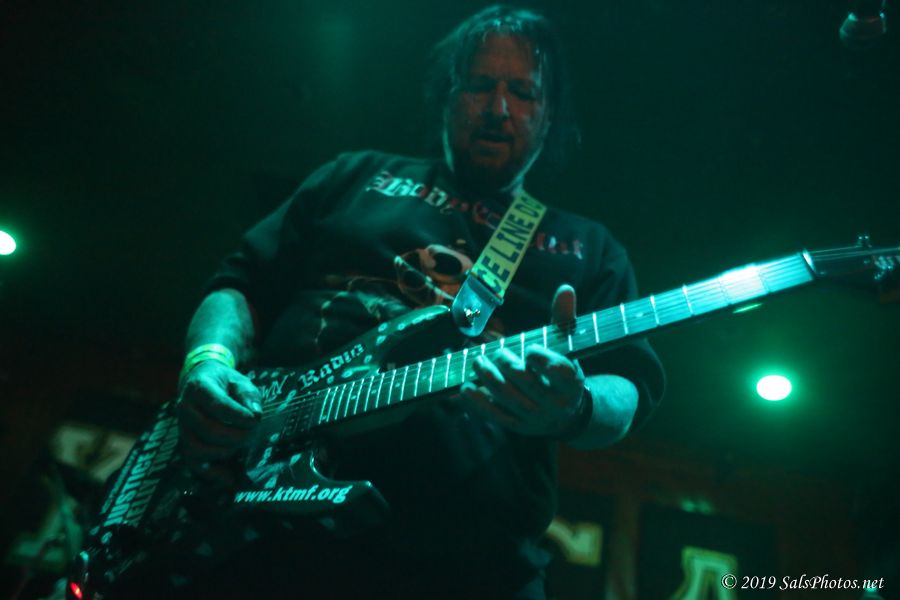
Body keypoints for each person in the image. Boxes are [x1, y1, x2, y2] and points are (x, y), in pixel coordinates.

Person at [175, 5, 664, 599]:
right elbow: (240, 285)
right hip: (253, 518)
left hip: (466, 566)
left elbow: (627, 384)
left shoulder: (588, 247)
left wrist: (575, 406)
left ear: (550, 113)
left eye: (523, 92)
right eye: (480, 84)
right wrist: (207, 364)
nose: (499, 108)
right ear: (447, 95)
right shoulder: (355, 176)